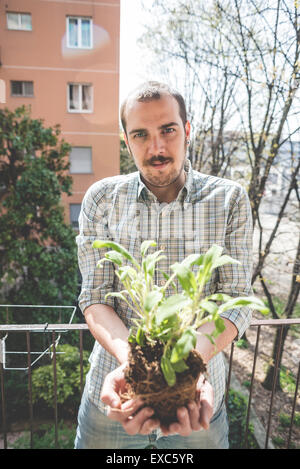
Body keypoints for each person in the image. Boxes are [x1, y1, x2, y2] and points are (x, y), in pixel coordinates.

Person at [74, 81, 253, 449]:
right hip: (116, 390)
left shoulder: (229, 199)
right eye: (141, 134)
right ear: (127, 140)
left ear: (187, 130)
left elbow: (235, 300)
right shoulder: (101, 199)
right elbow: (94, 299)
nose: (156, 147)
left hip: (198, 396)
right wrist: (136, 368)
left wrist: (186, 367)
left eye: (167, 130)